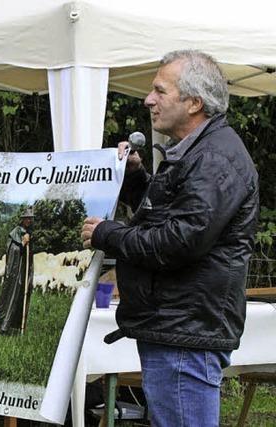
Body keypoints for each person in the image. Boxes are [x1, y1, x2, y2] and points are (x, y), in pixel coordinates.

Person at [81, 50, 259, 427]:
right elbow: (170, 217)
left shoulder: (214, 159)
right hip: (178, 327)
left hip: (185, 332)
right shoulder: (198, 152)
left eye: (160, 91)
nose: (148, 100)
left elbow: (178, 241)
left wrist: (107, 234)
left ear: (194, 102)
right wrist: (135, 179)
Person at [0, 207, 34, 334]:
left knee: (20, 296)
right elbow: (12, 250)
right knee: (9, 295)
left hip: (23, 272)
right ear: (22, 219)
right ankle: (1, 326)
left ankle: (14, 327)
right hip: (14, 272)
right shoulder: (15, 232)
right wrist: (22, 243)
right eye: (27, 218)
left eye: (30, 219)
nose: (29, 221)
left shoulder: (29, 232)